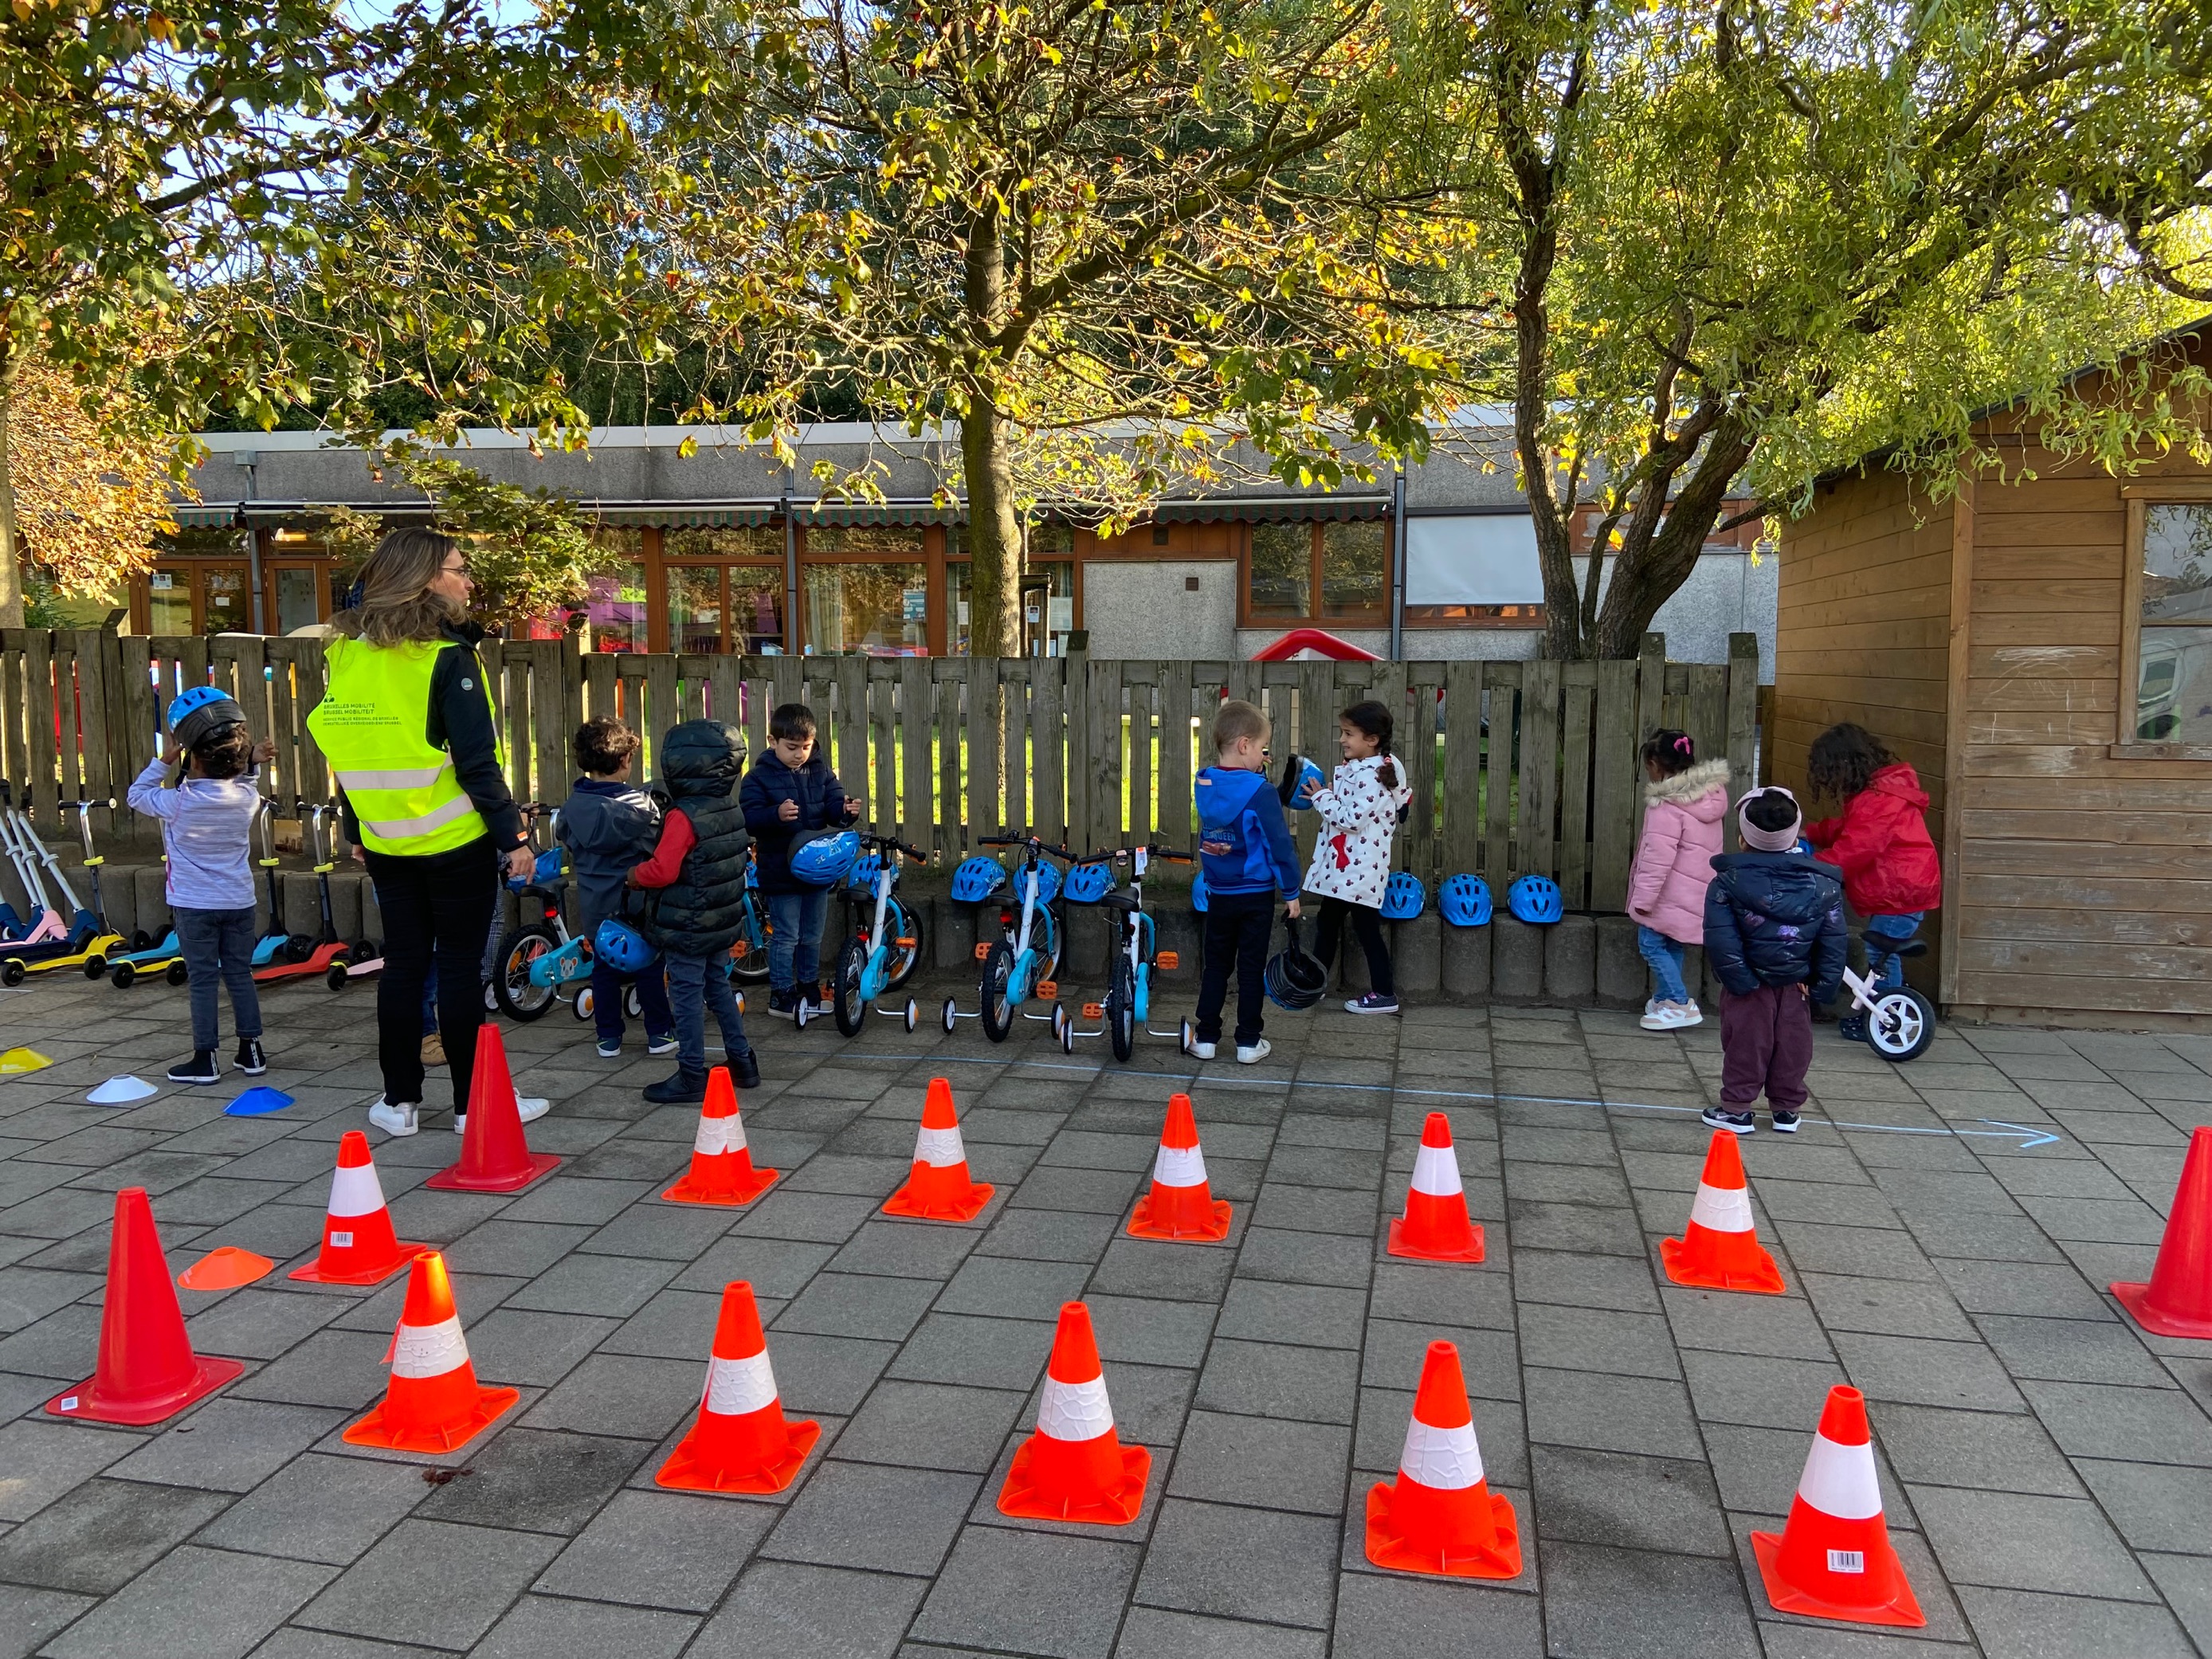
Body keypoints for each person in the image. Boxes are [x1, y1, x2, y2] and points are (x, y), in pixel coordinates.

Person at [309, 528, 543, 1138]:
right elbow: (477, 763)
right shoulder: (447, 657)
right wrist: (513, 840)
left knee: (405, 966)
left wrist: (358, 828)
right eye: (459, 571)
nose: (468, 583)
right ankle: (473, 1107)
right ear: (425, 580)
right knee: (461, 969)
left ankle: (399, 1105)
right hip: (454, 842)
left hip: (387, 843)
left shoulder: (346, 655)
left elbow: (352, 753)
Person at [127, 689, 275, 1084]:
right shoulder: (246, 797)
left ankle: (205, 1059)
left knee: (205, 980)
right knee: (240, 974)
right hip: (239, 902)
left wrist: (163, 760)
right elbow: (241, 780)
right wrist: (251, 763)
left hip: (194, 905)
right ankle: (252, 1052)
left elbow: (136, 795)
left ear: (191, 755)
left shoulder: (177, 802)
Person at [628, 719, 763, 1100]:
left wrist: (633, 875)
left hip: (686, 924)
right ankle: (743, 1062)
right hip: (721, 921)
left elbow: (662, 870)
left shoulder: (683, 817)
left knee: (685, 996)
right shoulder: (729, 808)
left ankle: (691, 1074)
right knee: (718, 986)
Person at [1702, 787, 1846, 1134]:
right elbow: (1834, 939)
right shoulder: (1823, 885)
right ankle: (1786, 1108)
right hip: (1798, 982)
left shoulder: (1727, 883)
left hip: (1750, 983)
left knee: (1745, 1043)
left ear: (1742, 838)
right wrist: (1823, 985)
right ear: (1795, 833)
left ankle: (1737, 1107)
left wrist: (1741, 982)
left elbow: (1722, 939)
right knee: (1793, 1043)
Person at [1803, 723, 1942, 1040]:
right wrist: (1813, 833)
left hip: (1900, 890)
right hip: (1904, 885)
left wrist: (1807, 865)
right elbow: (1852, 828)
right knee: (1884, 952)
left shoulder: (1878, 799)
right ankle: (1884, 1009)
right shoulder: (1880, 793)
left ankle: (1884, 1015)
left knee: (1880, 952)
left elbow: (1855, 849)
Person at [1188, 699, 1301, 1065]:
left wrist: (1256, 774)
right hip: (1254, 895)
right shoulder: (1260, 793)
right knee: (1251, 968)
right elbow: (1277, 845)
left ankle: (1205, 1037)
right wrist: (1292, 892)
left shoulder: (1205, 783)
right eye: (1261, 749)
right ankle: (1248, 1042)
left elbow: (1230, 808)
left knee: (1217, 966)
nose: (1263, 758)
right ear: (1244, 745)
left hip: (1219, 892)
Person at [556, 716, 677, 1060]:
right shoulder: (642, 808)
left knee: (603, 971)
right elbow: (658, 845)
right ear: (625, 760)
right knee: (649, 967)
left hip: (595, 906)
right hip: (635, 905)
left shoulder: (571, 809)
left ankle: (608, 1038)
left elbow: (568, 836)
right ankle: (659, 1034)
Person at [739, 702, 859, 1018]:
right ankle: (781, 994)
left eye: (805, 747)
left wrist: (845, 812)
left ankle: (808, 987)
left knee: (812, 935)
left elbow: (833, 803)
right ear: (772, 741)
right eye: (791, 747)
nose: (799, 754)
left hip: (817, 870)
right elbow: (749, 818)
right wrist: (775, 815)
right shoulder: (758, 778)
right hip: (780, 871)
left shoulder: (820, 770)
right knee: (786, 935)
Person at [1300, 698, 1412, 1015]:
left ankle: (1385, 994)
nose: (1342, 739)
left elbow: (1350, 819)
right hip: (1346, 870)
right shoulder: (1364, 770)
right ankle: (1316, 983)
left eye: (1349, 733)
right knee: (1327, 921)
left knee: (1366, 930)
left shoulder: (1372, 776)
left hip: (1360, 872)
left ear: (1371, 740)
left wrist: (1322, 796)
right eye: (1342, 732)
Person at [1626, 729, 1729, 1032]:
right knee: (1672, 944)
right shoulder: (1709, 797)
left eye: (1648, 768)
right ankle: (1663, 999)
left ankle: (1681, 1003)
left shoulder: (1666, 805)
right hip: (1694, 890)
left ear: (1656, 765)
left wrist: (1642, 900)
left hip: (1665, 893)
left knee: (1650, 943)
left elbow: (1657, 859)